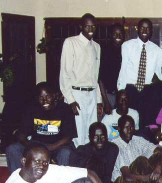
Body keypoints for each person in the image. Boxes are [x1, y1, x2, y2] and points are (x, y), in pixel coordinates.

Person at [70, 122, 137, 183]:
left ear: (106, 136)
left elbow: (107, 177)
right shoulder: (81, 152)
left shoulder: (112, 149)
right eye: (96, 137)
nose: (100, 140)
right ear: (90, 137)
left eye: (102, 136)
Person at [6, 82, 77, 173]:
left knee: (66, 153)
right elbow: (21, 135)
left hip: (58, 146)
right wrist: (32, 146)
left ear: (54, 96)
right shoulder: (31, 109)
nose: (45, 101)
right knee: (13, 149)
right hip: (36, 144)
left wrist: (50, 148)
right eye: (41, 98)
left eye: (48, 97)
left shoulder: (65, 109)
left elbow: (68, 137)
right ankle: (19, 180)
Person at [59, 13, 103, 148]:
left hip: (91, 95)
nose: (90, 29)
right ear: (81, 26)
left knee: (91, 133)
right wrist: (71, 99)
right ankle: (77, 165)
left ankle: (88, 164)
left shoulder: (97, 47)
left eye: (93, 26)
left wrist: (99, 100)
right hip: (76, 95)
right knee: (78, 134)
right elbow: (64, 73)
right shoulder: (70, 42)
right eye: (87, 26)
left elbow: (95, 77)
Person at [111, 115, 162, 183]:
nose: (129, 130)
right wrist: (152, 178)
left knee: (158, 157)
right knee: (141, 161)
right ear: (119, 128)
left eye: (131, 127)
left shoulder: (137, 140)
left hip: (140, 179)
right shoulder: (115, 146)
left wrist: (158, 168)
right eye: (126, 127)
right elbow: (127, 176)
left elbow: (160, 151)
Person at [117, 18, 162, 110]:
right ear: (137, 29)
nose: (145, 31)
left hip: (147, 91)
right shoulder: (127, 46)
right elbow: (123, 69)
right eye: (142, 28)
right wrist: (120, 90)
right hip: (130, 89)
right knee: (130, 120)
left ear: (151, 31)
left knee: (145, 121)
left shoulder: (157, 50)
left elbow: (161, 74)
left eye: (148, 28)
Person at [99, 23, 125, 114]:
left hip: (121, 96)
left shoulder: (126, 50)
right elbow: (100, 78)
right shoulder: (105, 51)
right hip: (107, 95)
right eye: (115, 34)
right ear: (110, 35)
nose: (118, 36)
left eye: (120, 33)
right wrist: (106, 101)